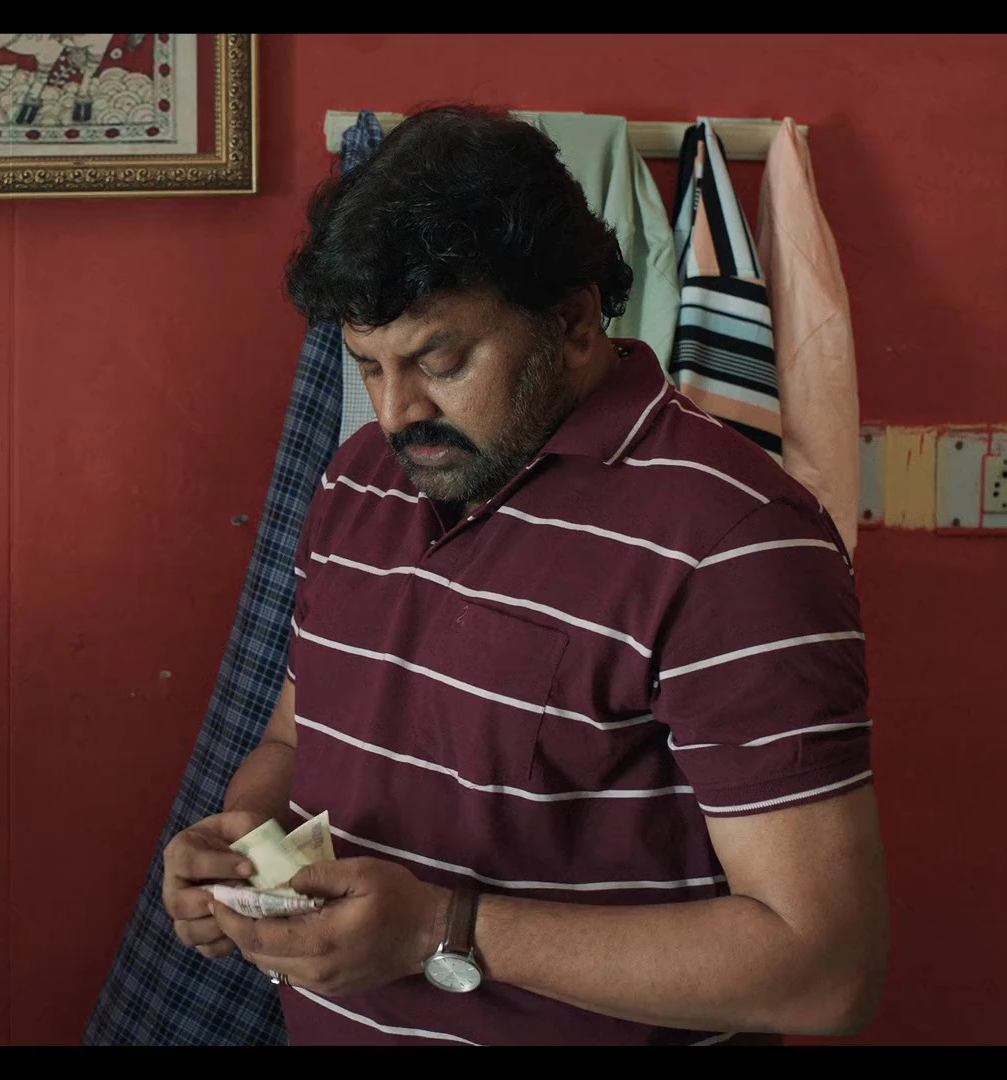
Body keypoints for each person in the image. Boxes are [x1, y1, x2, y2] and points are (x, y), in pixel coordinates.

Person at [161, 106, 888, 1046]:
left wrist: (436, 930)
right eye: (369, 367)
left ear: (574, 321)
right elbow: (298, 740)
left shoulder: (736, 541)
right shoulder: (358, 481)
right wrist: (243, 842)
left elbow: (824, 971)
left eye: (441, 360)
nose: (397, 412)